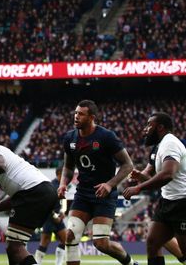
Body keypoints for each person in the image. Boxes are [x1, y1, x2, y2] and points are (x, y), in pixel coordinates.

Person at [123, 112, 186, 265]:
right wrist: (140, 177)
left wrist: (138, 188)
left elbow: (167, 175)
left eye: (149, 125)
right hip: (167, 201)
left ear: (160, 127)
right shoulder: (160, 146)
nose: (146, 129)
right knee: (153, 242)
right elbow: (159, 180)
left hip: (185, 203)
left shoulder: (170, 144)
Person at [57, 100, 136, 265]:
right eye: (76, 113)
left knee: (101, 244)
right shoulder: (70, 138)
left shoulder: (106, 136)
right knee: (70, 236)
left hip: (104, 195)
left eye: (81, 114)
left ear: (91, 117)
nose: (76, 116)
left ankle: (129, 262)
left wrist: (109, 184)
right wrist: (63, 182)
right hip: (83, 194)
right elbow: (68, 167)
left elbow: (128, 165)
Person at [0, 131, 59, 265]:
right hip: (41, 191)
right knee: (13, 248)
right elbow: (17, 198)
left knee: (15, 247)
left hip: (34, 192)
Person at [35, 167, 68, 265]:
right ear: (58, 173)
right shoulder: (53, 185)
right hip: (49, 217)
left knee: (65, 240)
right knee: (45, 241)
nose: (66, 176)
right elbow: (46, 204)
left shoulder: (61, 185)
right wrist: (54, 216)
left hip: (58, 217)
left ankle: (59, 263)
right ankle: (37, 263)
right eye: (64, 174)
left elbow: (61, 201)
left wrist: (62, 212)